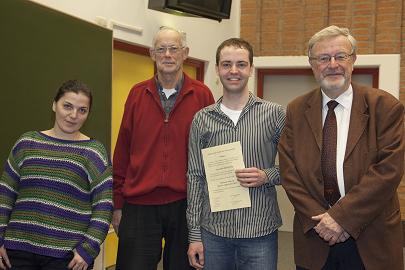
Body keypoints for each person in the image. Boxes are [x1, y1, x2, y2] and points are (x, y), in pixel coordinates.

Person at [278, 25, 404, 270]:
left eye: (340, 56)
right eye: (323, 58)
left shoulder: (385, 107)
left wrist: (340, 218)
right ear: (312, 64)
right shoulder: (296, 109)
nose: (332, 64)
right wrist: (324, 223)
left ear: (353, 60)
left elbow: (388, 171)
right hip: (316, 236)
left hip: (371, 238)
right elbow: (289, 172)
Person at [112, 26, 214, 270]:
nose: (167, 55)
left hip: (186, 205)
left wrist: (209, 208)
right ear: (152, 54)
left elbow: (211, 152)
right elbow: (123, 150)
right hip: (139, 204)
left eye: (173, 49)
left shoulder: (202, 95)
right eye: (161, 49)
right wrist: (117, 204)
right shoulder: (137, 94)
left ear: (185, 53)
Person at [187, 38, 285, 270]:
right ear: (218, 69)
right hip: (214, 232)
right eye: (226, 64)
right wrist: (194, 236)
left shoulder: (275, 114)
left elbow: (298, 166)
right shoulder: (202, 119)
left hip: (260, 231)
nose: (233, 71)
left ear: (251, 68)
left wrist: (267, 175)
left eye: (241, 64)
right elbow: (194, 177)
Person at [0, 79, 113, 270]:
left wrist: (87, 249)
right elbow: (5, 194)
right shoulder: (27, 142)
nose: (73, 115)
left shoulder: (94, 152)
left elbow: (104, 205)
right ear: (54, 105)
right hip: (17, 253)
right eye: (67, 106)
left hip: (66, 258)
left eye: (82, 110)